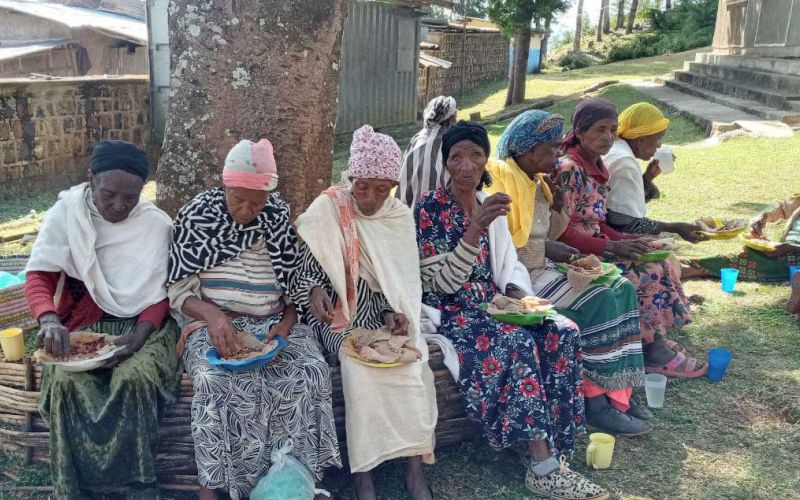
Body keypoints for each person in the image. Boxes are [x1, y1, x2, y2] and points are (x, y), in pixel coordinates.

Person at [416, 121, 609, 500]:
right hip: (453, 311)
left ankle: (553, 446)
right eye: (457, 157)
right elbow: (440, 284)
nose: (467, 165)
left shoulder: (491, 199)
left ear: (486, 158)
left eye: (475, 154)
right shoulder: (430, 208)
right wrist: (473, 230)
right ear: (446, 164)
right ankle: (541, 468)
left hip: (495, 304)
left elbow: (508, 264)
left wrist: (520, 296)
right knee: (516, 343)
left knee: (562, 330)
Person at [166, 139, 341, 500]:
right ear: (224, 186)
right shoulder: (196, 216)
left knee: (310, 372)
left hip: (273, 320)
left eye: (256, 202)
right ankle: (215, 488)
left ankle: (297, 482)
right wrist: (212, 315)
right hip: (215, 321)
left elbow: (294, 281)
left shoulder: (276, 216)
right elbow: (179, 291)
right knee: (214, 382)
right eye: (237, 199)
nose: (246, 210)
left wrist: (288, 322)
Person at [24, 140, 181, 498]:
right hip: (79, 325)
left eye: (131, 197)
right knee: (67, 383)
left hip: (144, 326)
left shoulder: (155, 225)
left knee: (134, 377)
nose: (119, 206)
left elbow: (160, 293)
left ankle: (140, 484)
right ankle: (76, 486)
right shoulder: (67, 214)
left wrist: (139, 337)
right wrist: (47, 319)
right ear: (90, 179)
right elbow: (39, 276)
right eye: (109, 194)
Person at [294, 125, 437, 500]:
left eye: (381, 189)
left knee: (409, 363)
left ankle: (413, 466)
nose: (370, 198)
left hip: (376, 313)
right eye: (362, 186)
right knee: (358, 369)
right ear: (351, 176)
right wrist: (313, 292)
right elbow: (303, 268)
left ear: (392, 187)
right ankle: (364, 474)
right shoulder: (329, 207)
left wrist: (394, 314)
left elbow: (398, 282)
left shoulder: (397, 216)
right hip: (335, 313)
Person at [485, 109, 650, 436]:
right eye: (551, 149)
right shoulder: (502, 182)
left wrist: (558, 202)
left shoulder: (536, 182)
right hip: (519, 279)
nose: (558, 154)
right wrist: (546, 249)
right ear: (528, 150)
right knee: (600, 298)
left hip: (542, 268)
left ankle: (620, 391)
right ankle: (595, 403)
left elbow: (552, 230)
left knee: (623, 288)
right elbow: (501, 248)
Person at [553, 98, 706, 379]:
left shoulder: (595, 164)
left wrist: (625, 241)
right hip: (571, 255)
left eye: (612, 130)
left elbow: (599, 221)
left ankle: (651, 340)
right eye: (600, 129)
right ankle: (653, 351)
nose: (608, 137)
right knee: (642, 273)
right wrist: (613, 245)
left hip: (594, 246)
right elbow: (561, 232)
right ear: (580, 130)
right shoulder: (569, 169)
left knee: (654, 262)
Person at [603, 102, 705, 243]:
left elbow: (619, 204)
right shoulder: (624, 162)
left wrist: (647, 177)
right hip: (606, 242)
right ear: (641, 140)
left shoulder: (616, 147)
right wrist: (674, 227)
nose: (659, 145)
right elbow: (621, 222)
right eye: (658, 139)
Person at [683, 194, 800, 282]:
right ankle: (695, 266)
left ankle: (696, 268)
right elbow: (783, 208)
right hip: (785, 248)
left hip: (794, 255)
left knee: (770, 261)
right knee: (754, 253)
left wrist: (792, 248)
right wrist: (763, 217)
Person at [396, 95, 457, 206]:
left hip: (408, 208)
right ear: (451, 117)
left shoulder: (416, 138)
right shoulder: (452, 141)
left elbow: (403, 173)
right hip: (441, 213)